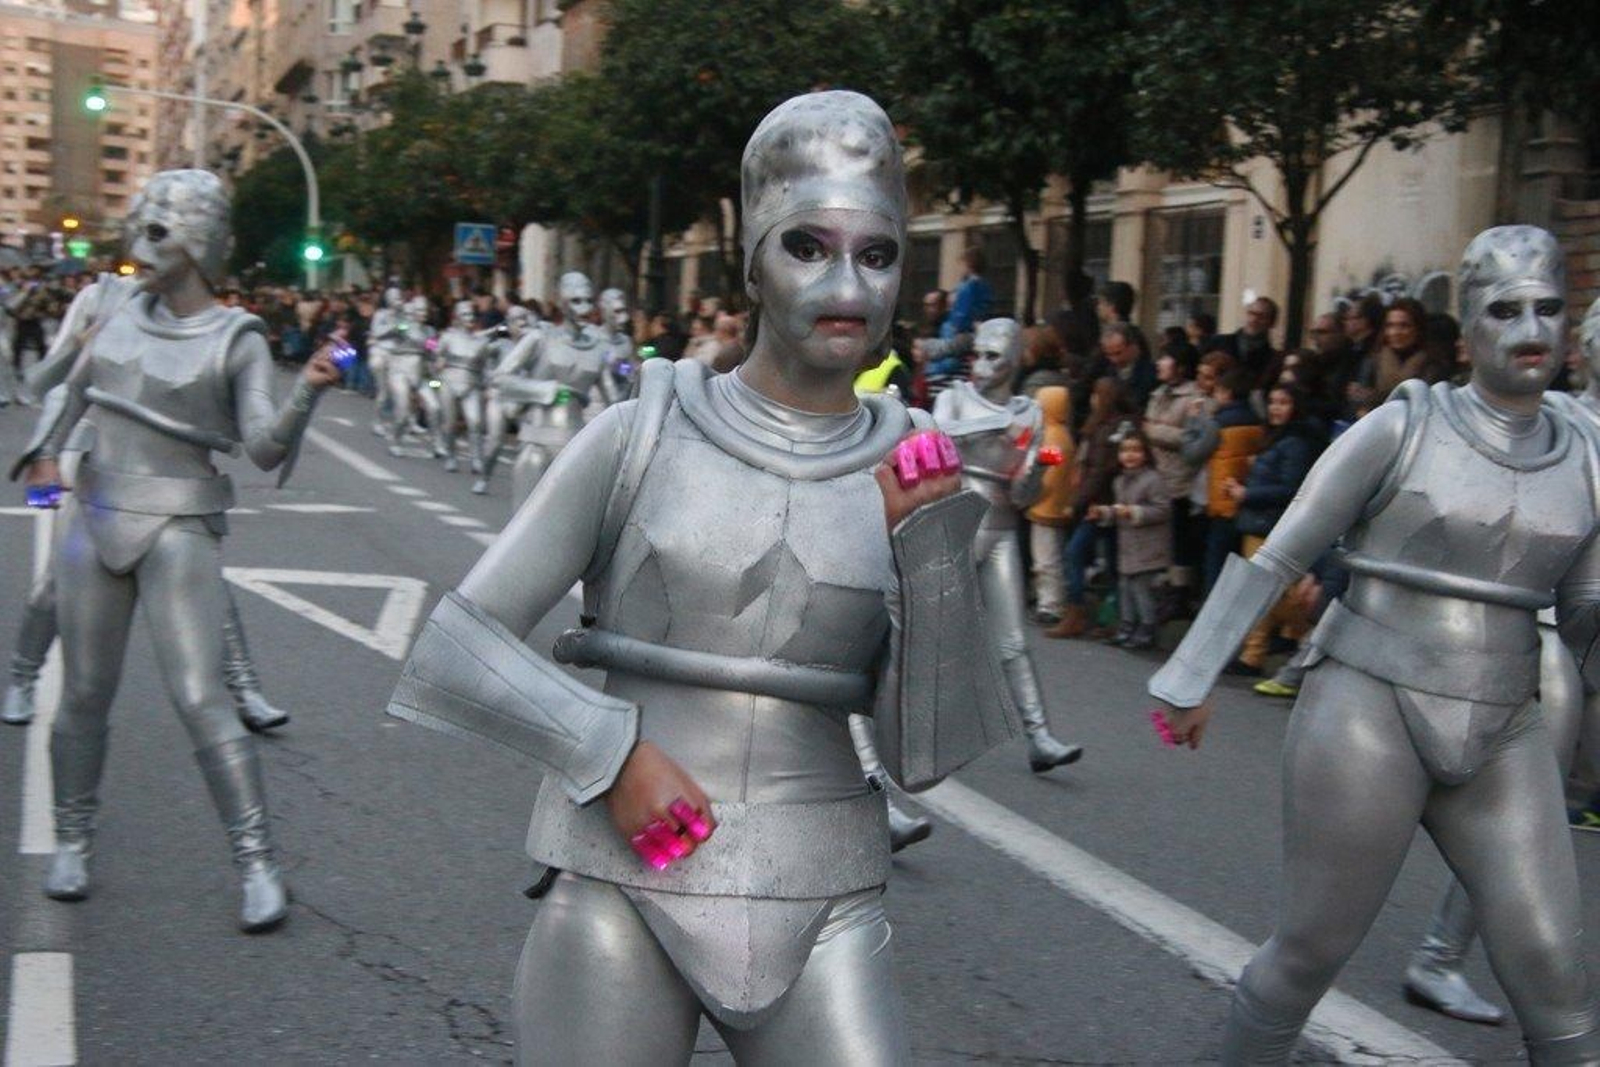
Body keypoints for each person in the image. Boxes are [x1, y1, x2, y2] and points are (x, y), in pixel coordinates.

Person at [387, 90, 1019, 1065]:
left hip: (824, 891)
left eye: (878, 251)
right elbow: (450, 647)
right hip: (619, 876)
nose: (847, 283)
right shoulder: (639, 433)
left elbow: (924, 757)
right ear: (751, 259)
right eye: (808, 245)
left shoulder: (917, 462)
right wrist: (607, 750)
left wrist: (933, 555)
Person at [1149, 226, 1600, 1063]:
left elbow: (1584, 608)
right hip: (1369, 701)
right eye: (1505, 310)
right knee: (1312, 947)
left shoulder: (1588, 451)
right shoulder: (1405, 427)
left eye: (1548, 308)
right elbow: (1281, 550)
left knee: (1556, 974)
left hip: (1505, 721)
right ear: (1466, 329)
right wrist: (1188, 674)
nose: (1530, 327)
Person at [14, 169, 342, 932]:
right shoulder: (119, 310)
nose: (139, 247)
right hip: (94, 513)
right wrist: (43, 454)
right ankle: (71, 840)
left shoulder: (238, 337)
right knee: (85, 692)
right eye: (139, 228)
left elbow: (261, 449)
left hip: (178, 524)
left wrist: (311, 388)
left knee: (202, 698)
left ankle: (257, 861)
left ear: (197, 243)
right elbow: (69, 390)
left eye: (157, 232)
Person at [933, 317, 1085, 773]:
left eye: (993, 355)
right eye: (977, 353)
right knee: (931, 639)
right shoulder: (954, 399)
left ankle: (1040, 737)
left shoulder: (1030, 412)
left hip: (999, 531)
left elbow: (1023, 496)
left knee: (1013, 641)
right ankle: (909, 739)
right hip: (952, 523)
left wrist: (1038, 467)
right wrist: (1002, 423)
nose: (981, 364)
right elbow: (938, 440)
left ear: (1016, 359)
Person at [490, 271, 619, 511]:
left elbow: (614, 402)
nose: (585, 308)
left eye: (589, 301)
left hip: (577, 447)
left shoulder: (599, 346)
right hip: (536, 442)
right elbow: (500, 379)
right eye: (576, 301)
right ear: (562, 303)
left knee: (573, 525)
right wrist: (546, 389)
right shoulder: (539, 338)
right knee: (523, 524)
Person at [1221, 384, 1326, 677]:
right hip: (1257, 522)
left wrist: (1247, 494)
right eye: (1272, 401)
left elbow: (1291, 489)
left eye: (1284, 402)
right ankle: (1253, 654)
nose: (1276, 408)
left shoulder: (1296, 442)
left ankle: (1310, 636)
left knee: (1278, 595)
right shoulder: (1278, 438)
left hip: (1272, 525)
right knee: (1258, 592)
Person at [1048, 377, 1141, 639]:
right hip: (1110, 501)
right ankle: (1113, 618)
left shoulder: (1104, 430)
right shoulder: (1118, 426)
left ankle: (1077, 612)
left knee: (1075, 553)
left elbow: (1097, 471)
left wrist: (1076, 504)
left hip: (1099, 503)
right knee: (1111, 561)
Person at [1092, 431, 1169, 649]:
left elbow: (1163, 510)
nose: (1130, 455)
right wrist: (1104, 513)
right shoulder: (1120, 481)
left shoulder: (1153, 479)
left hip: (1149, 545)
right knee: (1125, 586)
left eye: (1136, 450)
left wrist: (1134, 512)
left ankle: (1147, 628)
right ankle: (1126, 625)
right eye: (1125, 450)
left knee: (1140, 588)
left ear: (1145, 454)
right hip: (1129, 545)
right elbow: (1119, 510)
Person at [1193, 367, 1266, 592]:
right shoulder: (1259, 422)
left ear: (1226, 393)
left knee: (1215, 561)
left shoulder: (1218, 423)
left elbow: (1192, 453)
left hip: (1222, 500)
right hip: (1246, 499)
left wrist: (1195, 420)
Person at [1143, 350, 1204, 612]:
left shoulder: (1194, 397)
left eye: (1165, 357)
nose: (1159, 362)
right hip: (1157, 474)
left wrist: (1154, 431)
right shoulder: (1157, 394)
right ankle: (1161, 589)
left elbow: (1192, 436)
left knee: (1179, 539)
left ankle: (1180, 594)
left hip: (1181, 477)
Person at [474, 303, 539, 495]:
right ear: (508, 324)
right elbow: (476, 346)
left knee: (533, 446)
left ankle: (532, 489)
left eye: (524, 320)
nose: (521, 325)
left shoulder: (536, 345)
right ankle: (484, 477)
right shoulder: (501, 345)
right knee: (494, 442)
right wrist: (494, 330)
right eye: (516, 321)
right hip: (500, 398)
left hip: (524, 401)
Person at [1025, 385, 1075, 626]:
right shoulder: (1060, 434)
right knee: (1049, 557)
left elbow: (1045, 471)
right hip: (1053, 505)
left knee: (1046, 559)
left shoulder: (1052, 438)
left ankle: (1051, 604)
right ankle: (1048, 599)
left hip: (1047, 506)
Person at [431, 299, 491, 475]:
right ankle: (451, 456)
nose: (469, 317)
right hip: (448, 383)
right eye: (465, 314)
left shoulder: (482, 341)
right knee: (449, 424)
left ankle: (477, 459)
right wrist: (436, 376)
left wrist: (487, 386)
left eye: (471, 314)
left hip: (472, 385)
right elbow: (435, 357)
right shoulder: (447, 336)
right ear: (457, 317)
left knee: (476, 422)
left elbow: (487, 367)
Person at [385, 295, 442, 458]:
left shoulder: (430, 331)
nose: (423, 313)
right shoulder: (405, 326)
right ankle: (395, 440)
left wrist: (436, 381)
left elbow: (432, 354)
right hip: (400, 371)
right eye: (419, 310)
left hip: (421, 374)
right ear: (413, 311)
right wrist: (398, 319)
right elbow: (389, 331)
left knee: (434, 407)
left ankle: (437, 443)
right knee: (402, 409)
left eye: (425, 310)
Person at [1371, 297, 1435, 397]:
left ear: (1418, 328)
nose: (1395, 332)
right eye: (1390, 325)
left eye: (1404, 326)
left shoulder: (1432, 363)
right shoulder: (1375, 360)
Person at [1217, 296, 1281, 388]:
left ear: (1271, 322)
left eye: (1261, 316)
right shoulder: (1218, 342)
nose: (1254, 320)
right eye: (1251, 313)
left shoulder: (1274, 359)